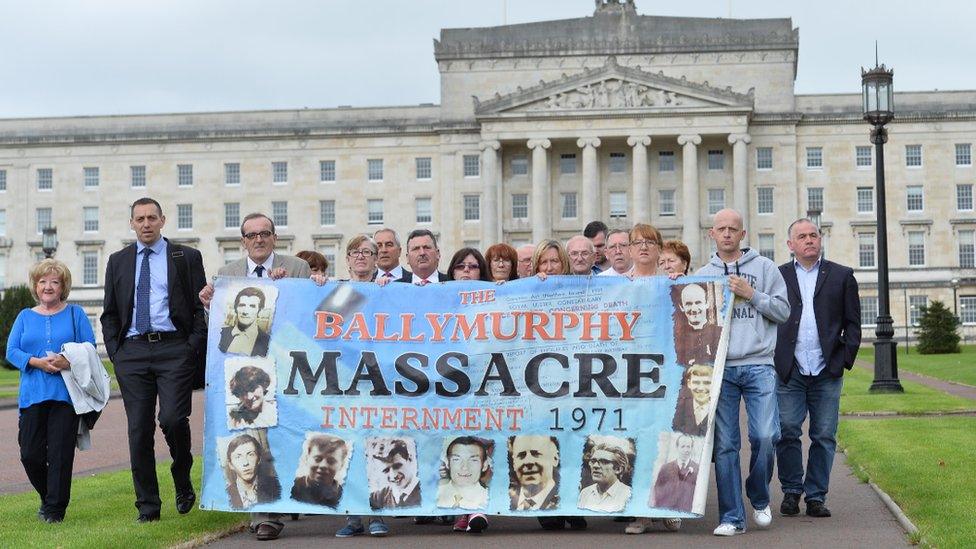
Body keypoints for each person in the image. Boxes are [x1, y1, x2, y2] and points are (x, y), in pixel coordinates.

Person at [198, 212, 311, 540]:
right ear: (243, 241)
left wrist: (288, 288)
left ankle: (298, 495)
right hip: (248, 374)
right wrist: (209, 306)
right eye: (251, 235)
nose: (258, 239)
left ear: (275, 237)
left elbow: (308, 317)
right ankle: (266, 516)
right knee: (255, 437)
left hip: (292, 368)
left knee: (291, 435)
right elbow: (222, 333)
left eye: (265, 233)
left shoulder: (297, 268)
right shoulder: (226, 274)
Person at [101, 197, 206, 524]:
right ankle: (148, 506)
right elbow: (109, 314)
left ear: (162, 220)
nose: (146, 224)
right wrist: (116, 354)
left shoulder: (185, 256)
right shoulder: (117, 261)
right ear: (131, 223)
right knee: (138, 430)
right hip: (131, 353)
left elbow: (200, 308)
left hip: (174, 349)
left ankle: (181, 475)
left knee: (174, 419)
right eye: (139, 219)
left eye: (151, 218)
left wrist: (191, 347)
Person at [695, 208, 789, 537]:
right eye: (721, 228)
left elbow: (783, 311)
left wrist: (752, 295)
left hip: (759, 364)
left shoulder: (764, 268)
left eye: (733, 229)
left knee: (766, 436)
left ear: (742, 234)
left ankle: (759, 495)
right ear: (712, 233)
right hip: (721, 367)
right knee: (725, 446)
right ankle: (732, 517)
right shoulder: (704, 273)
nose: (727, 234)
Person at [775, 218, 861, 519]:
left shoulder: (841, 275)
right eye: (802, 236)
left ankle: (815, 496)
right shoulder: (778, 276)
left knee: (824, 435)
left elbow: (853, 323)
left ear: (820, 239)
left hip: (827, 369)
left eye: (814, 235)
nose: (809, 240)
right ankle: (791, 491)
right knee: (786, 431)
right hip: (790, 369)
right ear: (791, 245)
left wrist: (844, 358)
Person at [7, 259, 96, 523]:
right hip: (32, 395)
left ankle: (55, 511)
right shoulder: (24, 316)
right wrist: (35, 361)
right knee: (30, 453)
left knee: (60, 454)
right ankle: (49, 498)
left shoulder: (75, 314)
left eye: (54, 282)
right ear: (36, 286)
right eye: (43, 281)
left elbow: (89, 347)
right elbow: (12, 351)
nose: (48, 286)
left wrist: (65, 361)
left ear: (63, 286)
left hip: (66, 395)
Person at [436, 436, 491, 533]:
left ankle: (474, 511)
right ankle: (469, 514)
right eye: (457, 459)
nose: (464, 467)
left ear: (484, 465)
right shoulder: (436, 492)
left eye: (473, 460)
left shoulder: (490, 495)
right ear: (447, 463)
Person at [224, 434, 281, 510]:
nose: (245, 463)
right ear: (231, 464)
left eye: (250, 455)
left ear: (259, 459)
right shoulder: (226, 494)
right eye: (238, 457)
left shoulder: (275, 486)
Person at [291, 434, 348, 508]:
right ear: (307, 458)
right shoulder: (292, 487)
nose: (323, 465)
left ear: (341, 465)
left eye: (331, 461)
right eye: (317, 459)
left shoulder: (344, 494)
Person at [673, 283, 722, 367]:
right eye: (688, 304)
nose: (694, 309)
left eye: (698, 303)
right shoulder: (676, 338)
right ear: (681, 307)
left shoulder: (720, 333)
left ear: (707, 303)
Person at [577, 442, 632, 512]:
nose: (595, 466)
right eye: (593, 461)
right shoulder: (585, 493)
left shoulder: (628, 495)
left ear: (618, 469)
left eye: (603, 461)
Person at [367, 438, 421, 510]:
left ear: (410, 460)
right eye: (386, 470)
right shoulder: (378, 497)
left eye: (397, 466)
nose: (393, 475)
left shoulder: (427, 492)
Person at [651, 435, 699, 512]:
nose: (686, 450)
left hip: (688, 510)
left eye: (688, 447)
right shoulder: (665, 468)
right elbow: (657, 490)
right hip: (668, 509)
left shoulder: (697, 469)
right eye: (683, 446)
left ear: (691, 448)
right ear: (677, 447)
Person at [218, 287, 271, 357]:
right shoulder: (221, 334)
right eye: (242, 305)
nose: (245, 312)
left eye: (252, 306)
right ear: (235, 308)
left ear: (259, 311)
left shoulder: (268, 341)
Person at [671, 364, 714, 437]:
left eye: (707, 383)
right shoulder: (677, 409)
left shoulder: (720, 408)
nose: (701, 388)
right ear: (689, 383)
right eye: (696, 382)